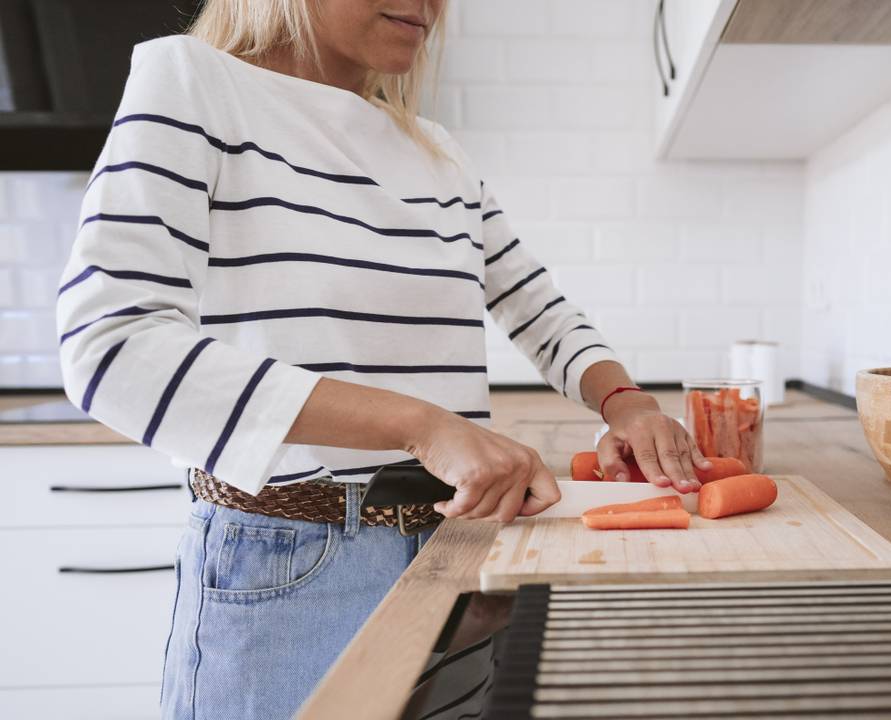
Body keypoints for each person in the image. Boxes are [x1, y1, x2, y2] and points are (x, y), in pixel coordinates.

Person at [54, 1, 710, 717]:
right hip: (290, 575)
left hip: (457, 553)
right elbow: (112, 347)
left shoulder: (438, 152)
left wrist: (626, 403)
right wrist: (421, 426)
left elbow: (537, 307)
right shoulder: (193, 82)